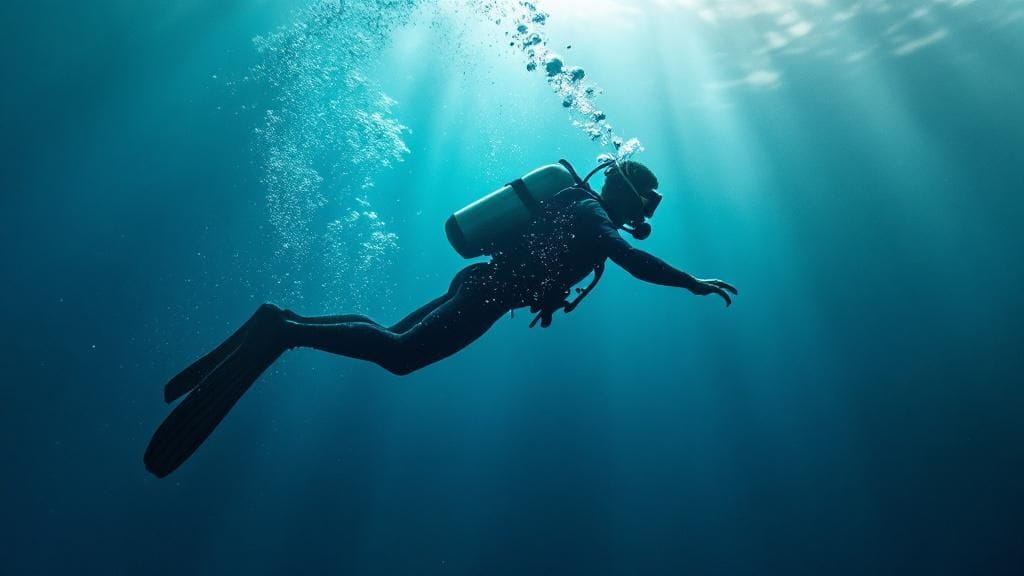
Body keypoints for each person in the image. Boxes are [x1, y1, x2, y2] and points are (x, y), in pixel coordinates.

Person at [144, 159, 738, 477]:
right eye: (646, 202)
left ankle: (285, 320)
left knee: (393, 338)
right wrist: (691, 283)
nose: (644, 213)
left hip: (481, 284)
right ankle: (283, 331)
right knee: (400, 356)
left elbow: (560, 259)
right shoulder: (592, 212)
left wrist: (549, 296)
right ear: (629, 195)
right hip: (486, 294)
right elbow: (630, 258)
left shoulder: (575, 203)